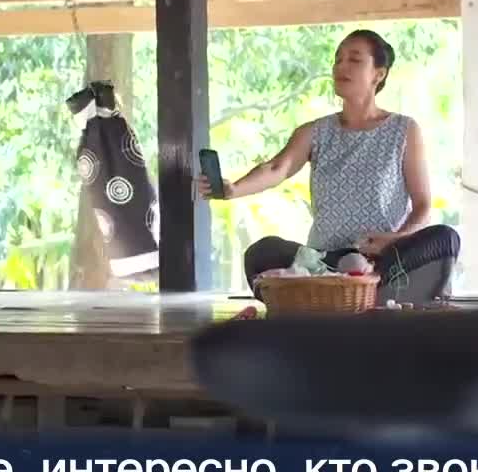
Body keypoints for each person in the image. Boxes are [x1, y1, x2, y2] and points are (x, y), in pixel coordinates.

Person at [197, 29, 461, 304]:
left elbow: (423, 206)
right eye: (337, 59)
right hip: (322, 262)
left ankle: (361, 290)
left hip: (385, 260)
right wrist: (233, 189)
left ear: (378, 74)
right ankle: (341, 288)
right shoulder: (315, 132)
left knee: (445, 238)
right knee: (261, 253)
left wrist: (394, 240)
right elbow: (277, 168)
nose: (341, 66)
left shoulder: (404, 130)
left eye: (354, 59)